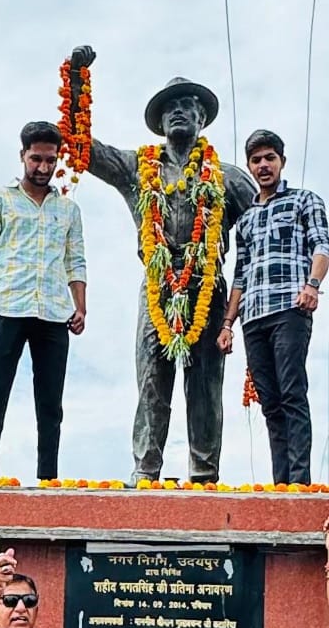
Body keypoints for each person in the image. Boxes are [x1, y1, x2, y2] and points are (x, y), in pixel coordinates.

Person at [67, 44, 258, 484]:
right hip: (156, 286)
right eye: (170, 108)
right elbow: (81, 147)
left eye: (187, 106)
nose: (178, 113)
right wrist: (77, 81)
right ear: (159, 122)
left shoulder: (228, 177)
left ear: (202, 119)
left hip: (208, 288)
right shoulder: (138, 169)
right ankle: (145, 473)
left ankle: (204, 476)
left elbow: (261, 234)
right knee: (152, 384)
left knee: (206, 389)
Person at [0, 120, 88, 485]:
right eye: (35, 159)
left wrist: (80, 305)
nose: (42, 167)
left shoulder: (68, 209)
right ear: (23, 156)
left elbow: (76, 259)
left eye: (49, 160)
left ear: (57, 159)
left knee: (50, 402)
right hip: (8, 307)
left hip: (54, 311)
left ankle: (48, 478)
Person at [217, 129, 329, 486]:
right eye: (256, 160)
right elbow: (241, 274)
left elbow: (323, 246)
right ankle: (281, 483)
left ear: (282, 161)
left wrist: (313, 285)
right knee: (269, 402)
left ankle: (299, 482)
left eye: (270, 158)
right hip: (254, 316)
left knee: (291, 392)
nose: (263, 165)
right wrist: (227, 324)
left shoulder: (304, 200)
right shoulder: (246, 220)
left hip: (289, 307)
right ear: (250, 166)